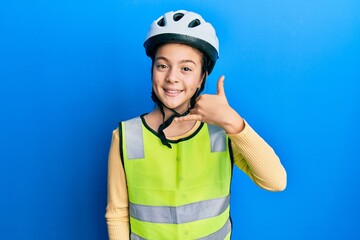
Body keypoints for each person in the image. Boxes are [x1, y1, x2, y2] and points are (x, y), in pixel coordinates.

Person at [105, 10, 287, 240]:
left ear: (202, 77)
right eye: (162, 65)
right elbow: (117, 214)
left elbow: (276, 181)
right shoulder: (125, 136)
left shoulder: (222, 131)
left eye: (186, 68)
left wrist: (232, 120)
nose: (172, 77)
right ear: (152, 70)